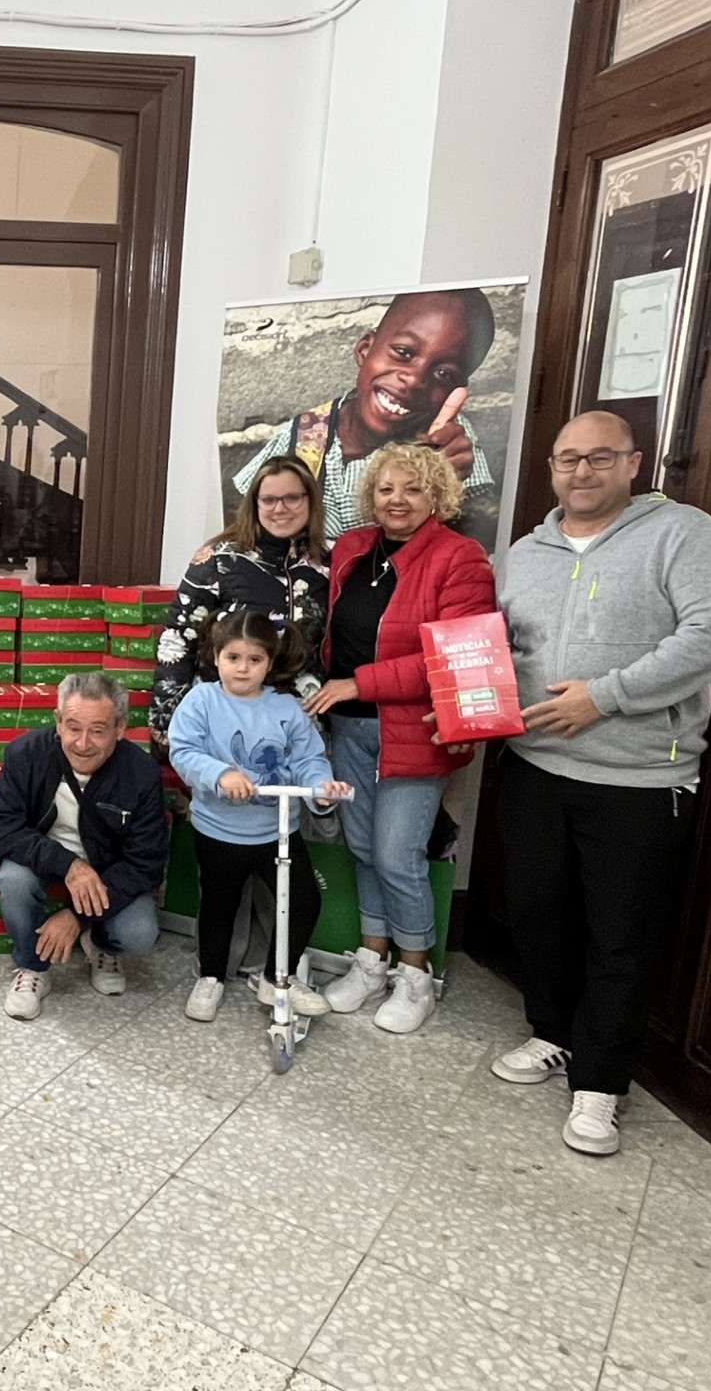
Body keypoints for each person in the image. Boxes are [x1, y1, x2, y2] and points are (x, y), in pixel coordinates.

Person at [491, 411, 711, 1157]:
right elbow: (501, 646)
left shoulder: (685, 536)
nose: (582, 471)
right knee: (537, 914)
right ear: (551, 467)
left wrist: (604, 697)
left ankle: (600, 1084)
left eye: (600, 457)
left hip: (639, 776)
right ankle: (552, 1034)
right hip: (533, 767)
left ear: (634, 463)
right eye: (568, 458)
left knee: (621, 935)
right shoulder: (525, 554)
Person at [304, 441, 496, 1033]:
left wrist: (356, 683)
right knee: (364, 849)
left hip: (414, 729)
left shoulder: (460, 557)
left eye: (413, 489)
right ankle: (371, 960)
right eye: (386, 488)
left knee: (397, 855)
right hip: (348, 727)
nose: (398, 500)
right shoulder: (353, 548)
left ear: (437, 495)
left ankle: (416, 976)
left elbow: (455, 654)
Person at [168, 610, 351, 1022]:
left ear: (270, 662)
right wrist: (221, 774)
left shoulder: (286, 708)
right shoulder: (202, 700)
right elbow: (183, 751)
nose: (243, 668)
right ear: (216, 656)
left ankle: (276, 977)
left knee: (303, 901)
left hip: (276, 831)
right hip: (218, 830)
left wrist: (321, 788)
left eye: (254, 660)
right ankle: (211, 976)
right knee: (219, 907)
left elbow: (308, 759)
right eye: (233, 657)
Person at [231, 288, 499, 542]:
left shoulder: (443, 440)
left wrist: (448, 486)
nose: (414, 380)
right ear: (365, 349)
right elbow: (244, 514)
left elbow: (475, 535)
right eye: (403, 352)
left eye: (444, 374)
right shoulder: (305, 432)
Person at [0, 671, 168, 1021]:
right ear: (58, 722)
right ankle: (32, 966)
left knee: (139, 932)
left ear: (120, 728)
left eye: (97, 731)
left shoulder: (141, 773)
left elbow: (147, 862)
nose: (82, 744)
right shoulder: (26, 754)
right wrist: (67, 864)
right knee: (13, 879)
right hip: (43, 858)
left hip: (108, 872)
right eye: (73, 728)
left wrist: (77, 918)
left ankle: (99, 943)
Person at [150, 453, 330, 744]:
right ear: (254, 503)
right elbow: (178, 641)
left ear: (310, 500)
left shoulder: (327, 566)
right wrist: (166, 727)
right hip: (223, 724)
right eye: (269, 499)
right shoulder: (218, 560)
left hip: (300, 729)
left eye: (292, 498)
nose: (280, 508)